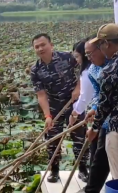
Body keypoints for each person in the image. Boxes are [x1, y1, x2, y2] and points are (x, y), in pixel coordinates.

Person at [73, 33, 118, 193]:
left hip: (117, 123)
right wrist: (94, 109)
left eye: (91, 53)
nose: (89, 58)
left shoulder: (113, 67)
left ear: (103, 47)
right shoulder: (94, 70)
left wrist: (94, 127)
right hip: (110, 120)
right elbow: (101, 97)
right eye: (86, 55)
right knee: (99, 159)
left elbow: (107, 102)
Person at [30, 33, 89, 183]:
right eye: (37, 47)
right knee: (52, 139)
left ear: (51, 45)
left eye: (43, 45)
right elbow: (41, 95)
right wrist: (47, 116)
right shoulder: (35, 70)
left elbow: (82, 72)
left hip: (74, 103)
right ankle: (54, 170)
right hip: (54, 105)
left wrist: (78, 88)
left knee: (79, 137)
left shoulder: (67, 57)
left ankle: (83, 169)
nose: (40, 48)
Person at [87, 23, 118, 180]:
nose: (100, 49)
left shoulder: (110, 70)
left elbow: (105, 104)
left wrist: (94, 128)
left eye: (100, 45)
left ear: (106, 44)